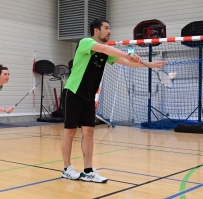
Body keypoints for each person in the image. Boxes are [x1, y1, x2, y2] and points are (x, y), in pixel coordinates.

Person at [61, 18, 166, 183]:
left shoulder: (106, 53)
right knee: (70, 131)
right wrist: (129, 54)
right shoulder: (86, 42)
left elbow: (127, 63)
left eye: (110, 28)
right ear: (97, 30)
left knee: (88, 132)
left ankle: (88, 170)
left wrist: (150, 65)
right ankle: (67, 168)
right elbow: (104, 48)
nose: (109, 31)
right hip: (73, 91)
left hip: (88, 95)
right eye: (106, 28)